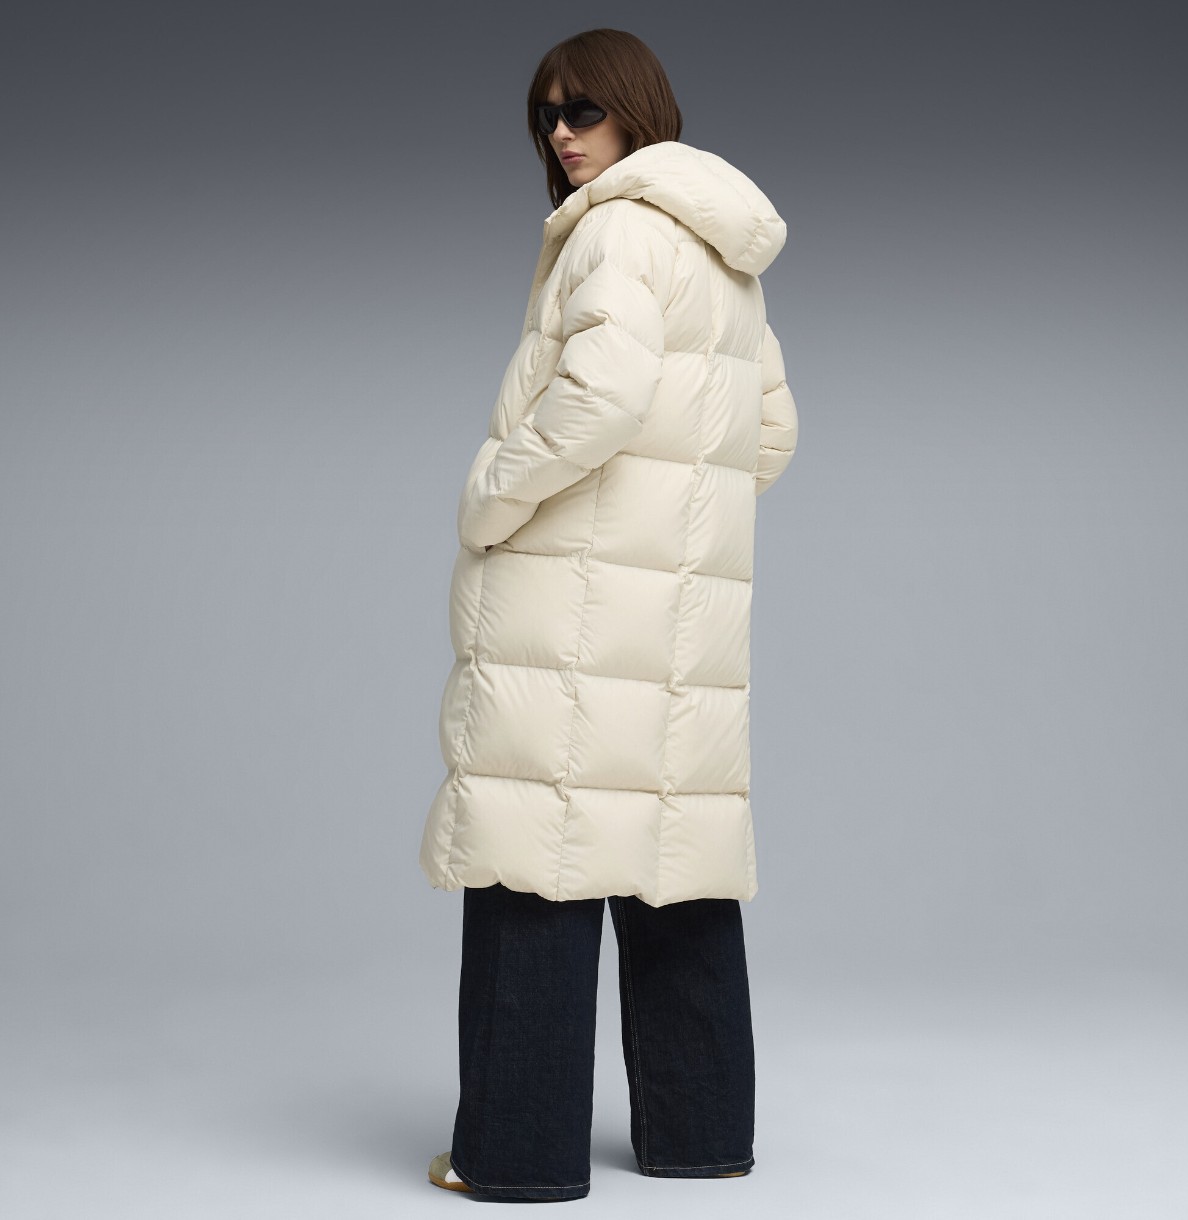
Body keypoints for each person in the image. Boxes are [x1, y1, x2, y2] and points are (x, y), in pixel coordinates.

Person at [420, 27, 799, 1203]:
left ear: (637, 108)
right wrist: (680, 524)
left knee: (533, 858)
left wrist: (492, 493)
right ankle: (699, 1135)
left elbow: (600, 397)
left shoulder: (614, 231)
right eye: (545, 114)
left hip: (572, 612)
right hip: (678, 623)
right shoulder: (716, 250)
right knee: (672, 860)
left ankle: (514, 1155)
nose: (561, 133)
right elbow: (771, 432)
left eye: (582, 108)